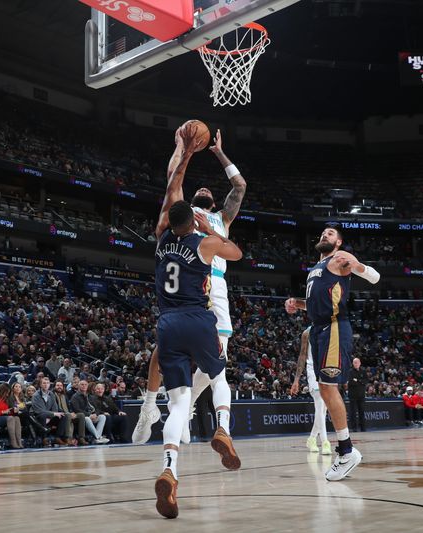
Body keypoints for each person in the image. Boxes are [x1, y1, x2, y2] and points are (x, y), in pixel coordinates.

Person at [150, 123, 245, 520]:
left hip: (167, 322)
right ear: (195, 215)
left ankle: (170, 470)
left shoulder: (162, 235)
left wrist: (188, 153)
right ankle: (222, 427)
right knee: (219, 372)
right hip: (201, 309)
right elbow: (237, 253)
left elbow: (175, 189)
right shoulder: (204, 236)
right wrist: (209, 231)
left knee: (179, 402)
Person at [284, 224, 380, 481]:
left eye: (330, 233)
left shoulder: (341, 260)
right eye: (322, 232)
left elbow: (375, 278)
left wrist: (357, 265)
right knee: (326, 388)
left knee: (328, 386)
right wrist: (297, 304)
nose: (324, 234)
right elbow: (317, 304)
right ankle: (346, 450)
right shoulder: (314, 269)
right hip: (318, 329)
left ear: (338, 243)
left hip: (335, 327)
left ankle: (347, 451)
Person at [290, 327, 331, 454]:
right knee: (319, 404)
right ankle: (325, 442)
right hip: (312, 369)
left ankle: (312, 438)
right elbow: (302, 356)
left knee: (323, 408)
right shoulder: (307, 333)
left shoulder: (330, 329)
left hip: (326, 369)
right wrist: (296, 380)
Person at [31, 376, 72, 446]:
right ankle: (44, 438)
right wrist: (52, 414)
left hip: (49, 416)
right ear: (40, 385)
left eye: (47, 383)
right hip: (38, 417)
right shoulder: (36, 395)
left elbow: (55, 409)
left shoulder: (51, 394)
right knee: (43, 416)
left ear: (50, 385)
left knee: (63, 415)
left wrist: (51, 416)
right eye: (44, 383)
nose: (46, 385)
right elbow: (39, 411)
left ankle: (58, 437)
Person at [70, 380, 109, 444]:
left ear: (87, 386)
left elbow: (97, 408)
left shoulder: (90, 396)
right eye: (82, 384)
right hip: (81, 417)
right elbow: (77, 410)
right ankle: (98, 437)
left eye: (85, 384)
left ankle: (97, 437)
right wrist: (89, 415)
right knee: (87, 418)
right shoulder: (75, 397)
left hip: (92, 416)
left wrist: (95, 414)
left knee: (102, 417)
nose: (84, 386)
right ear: (78, 386)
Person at [348, 357, 367, 432]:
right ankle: (354, 428)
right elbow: (351, 382)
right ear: (353, 364)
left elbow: (366, 381)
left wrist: (358, 380)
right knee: (353, 412)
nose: (356, 364)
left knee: (362, 411)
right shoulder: (350, 372)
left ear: (360, 363)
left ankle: (363, 427)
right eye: (354, 362)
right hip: (353, 395)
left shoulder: (363, 371)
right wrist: (360, 382)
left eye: (357, 362)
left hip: (361, 395)